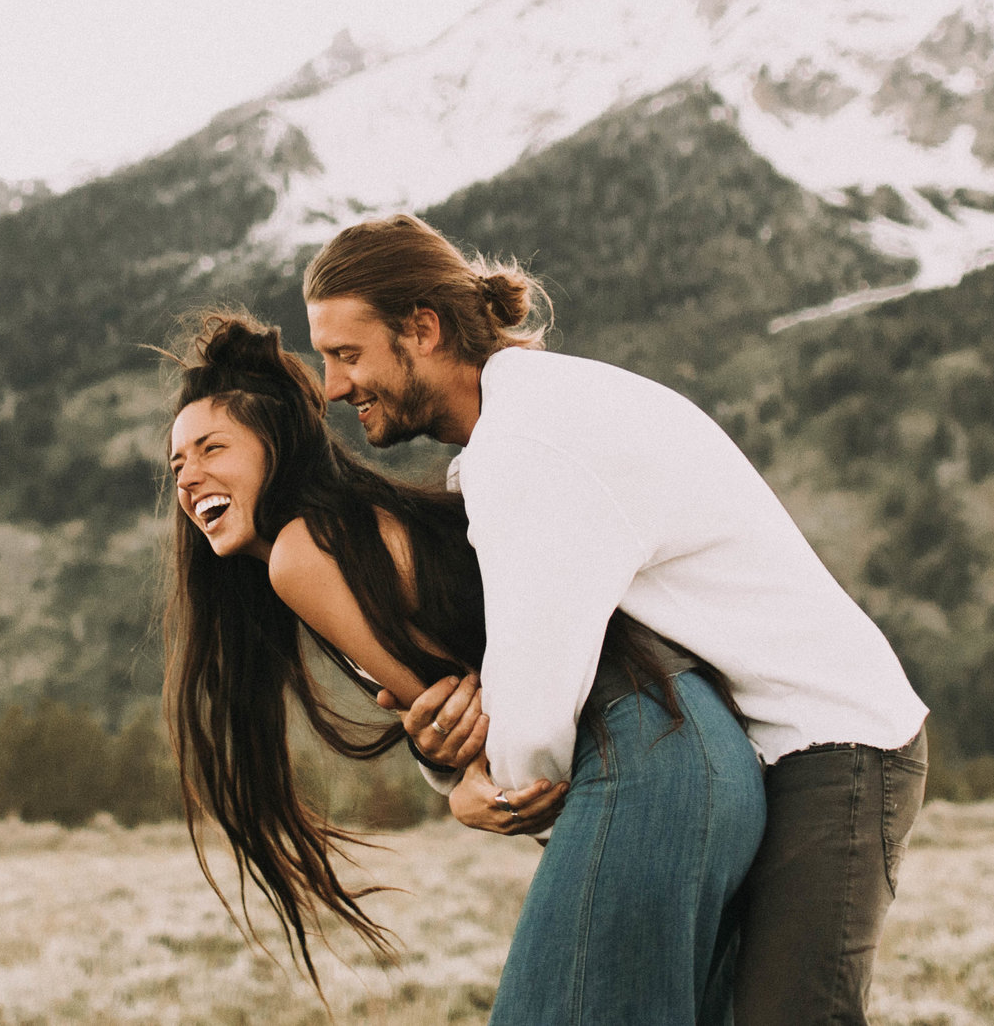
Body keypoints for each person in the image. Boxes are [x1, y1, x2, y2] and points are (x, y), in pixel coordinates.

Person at [304, 214, 930, 1026]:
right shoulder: (530, 420)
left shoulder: (529, 443)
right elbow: (492, 650)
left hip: (837, 744)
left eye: (347, 354)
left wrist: (483, 790)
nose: (332, 385)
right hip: (766, 749)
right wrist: (449, 751)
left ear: (421, 329)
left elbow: (534, 693)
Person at [162, 309, 763, 1020]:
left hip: (644, 749)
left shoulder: (303, 552)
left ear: (276, 444)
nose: (190, 475)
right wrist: (452, 763)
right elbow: (458, 707)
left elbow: (475, 729)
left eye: (210, 448)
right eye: (177, 462)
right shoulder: (351, 533)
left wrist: (466, 790)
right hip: (700, 749)